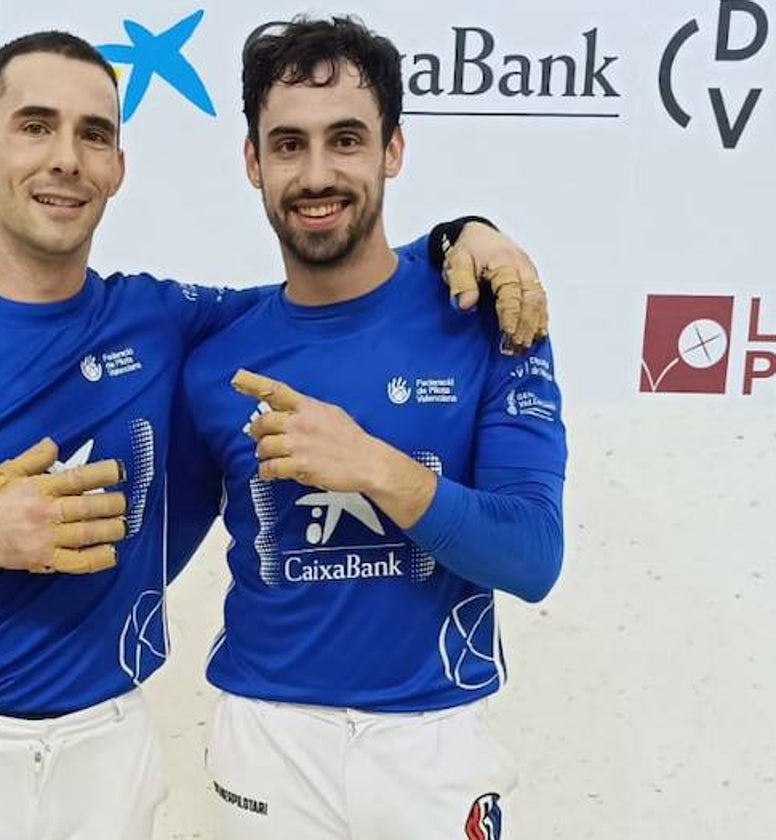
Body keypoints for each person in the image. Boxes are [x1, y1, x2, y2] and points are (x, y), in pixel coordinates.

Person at [0, 29, 551, 840]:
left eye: (94, 134)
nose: (67, 158)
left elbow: (328, 288)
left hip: (112, 752)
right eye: (36, 126)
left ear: (118, 167)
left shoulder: (162, 322)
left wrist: (462, 232)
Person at [178, 17, 567, 840]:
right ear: (253, 162)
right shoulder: (217, 353)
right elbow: (141, 551)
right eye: (287, 145)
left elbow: (532, 557)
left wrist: (375, 467)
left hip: (435, 746)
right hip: (264, 744)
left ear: (393, 149)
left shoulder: (488, 313)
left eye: (346, 139)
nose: (317, 173)